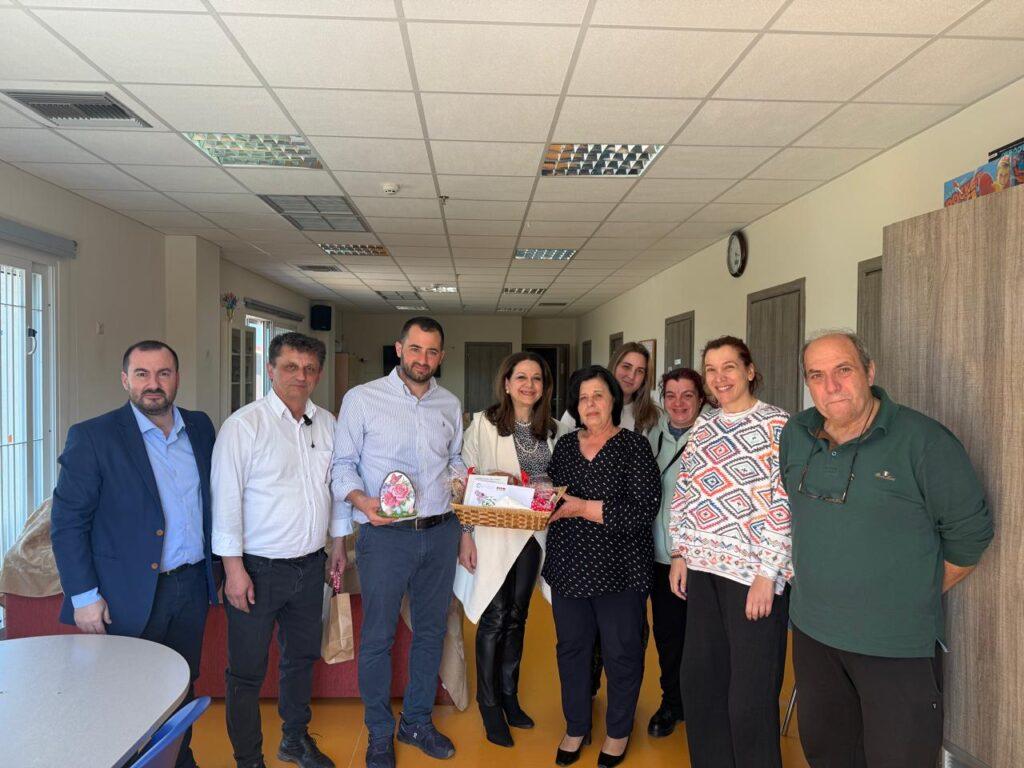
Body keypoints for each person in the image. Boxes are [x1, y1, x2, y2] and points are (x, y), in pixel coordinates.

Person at [780, 330, 994, 768]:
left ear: (870, 372)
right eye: (817, 375)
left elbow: (970, 536)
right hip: (813, 635)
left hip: (895, 645)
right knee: (827, 753)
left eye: (843, 370)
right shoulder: (796, 434)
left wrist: (909, 593)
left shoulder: (924, 442)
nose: (831, 386)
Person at [51, 340, 218, 768]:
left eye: (163, 373)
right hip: (124, 594)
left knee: (182, 684)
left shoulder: (200, 427)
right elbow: (68, 524)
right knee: (121, 694)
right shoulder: (93, 437)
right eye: (142, 374)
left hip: (190, 587)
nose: (153, 384)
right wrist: (83, 596)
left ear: (177, 378)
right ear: (125, 380)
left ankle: (178, 760)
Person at [331, 317, 465, 768]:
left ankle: (417, 722)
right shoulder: (362, 399)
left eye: (432, 351)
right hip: (385, 536)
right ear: (399, 348)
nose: (423, 359)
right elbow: (342, 465)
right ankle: (379, 731)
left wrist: (465, 482)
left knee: (431, 632)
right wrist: (360, 500)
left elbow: (455, 458)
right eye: (416, 348)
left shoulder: (449, 403)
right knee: (378, 637)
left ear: (441, 356)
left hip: (440, 532)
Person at [212, 332, 338, 768]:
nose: (300, 376)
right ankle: (249, 759)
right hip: (257, 571)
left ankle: (295, 740)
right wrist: (233, 570)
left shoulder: (327, 423)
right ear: (270, 370)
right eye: (290, 367)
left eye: (309, 369)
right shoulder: (244, 426)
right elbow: (225, 502)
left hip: (310, 566)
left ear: (318, 374)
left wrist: (339, 544)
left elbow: (335, 490)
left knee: (300, 660)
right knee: (246, 673)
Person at [668, 335, 792, 768]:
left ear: (750, 371)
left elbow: (783, 504)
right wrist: (679, 552)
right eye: (712, 370)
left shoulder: (778, 425)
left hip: (752, 578)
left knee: (749, 698)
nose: (720, 378)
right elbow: (686, 490)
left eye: (729, 367)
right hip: (703, 570)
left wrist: (768, 574)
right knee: (700, 684)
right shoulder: (705, 425)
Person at [544, 365, 661, 768]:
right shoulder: (564, 446)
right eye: (583, 398)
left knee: (622, 652)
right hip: (569, 566)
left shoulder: (634, 447)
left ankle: (617, 731)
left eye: (598, 395)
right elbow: (552, 497)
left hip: (621, 570)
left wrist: (581, 508)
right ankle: (576, 726)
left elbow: (642, 511)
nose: (590, 404)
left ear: (613, 399)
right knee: (571, 650)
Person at [455, 351, 565, 747]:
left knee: (518, 617)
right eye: (521, 377)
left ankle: (508, 697)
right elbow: (463, 478)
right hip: (493, 533)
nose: (529, 385)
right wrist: (466, 534)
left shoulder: (552, 428)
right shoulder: (484, 424)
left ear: (544, 387)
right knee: (494, 617)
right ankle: (489, 706)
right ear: (506, 383)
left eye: (536, 379)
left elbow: (557, 479)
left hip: (532, 536)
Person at [644, 367, 707, 739]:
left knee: (705, 637)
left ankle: (705, 704)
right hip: (659, 558)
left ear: (701, 398)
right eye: (670, 395)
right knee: (669, 637)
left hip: (702, 561)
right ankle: (673, 702)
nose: (678, 403)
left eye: (687, 395)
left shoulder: (714, 436)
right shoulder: (652, 437)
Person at [560, 342, 659, 434]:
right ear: (614, 366)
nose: (631, 376)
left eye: (640, 371)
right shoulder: (581, 408)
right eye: (626, 367)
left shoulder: (653, 414)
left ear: (645, 378)